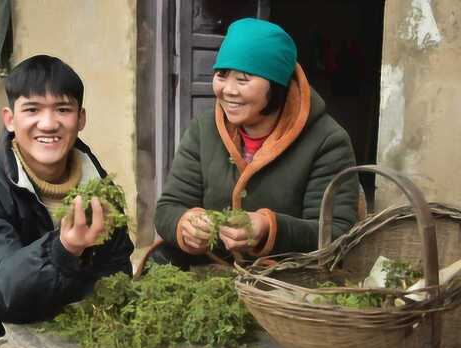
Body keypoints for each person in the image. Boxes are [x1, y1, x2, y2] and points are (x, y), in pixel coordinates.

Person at [0, 55, 134, 348]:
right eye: (32, 109)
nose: (48, 123)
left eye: (63, 110)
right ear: (10, 119)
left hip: (71, 315)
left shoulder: (101, 189)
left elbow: (116, 271)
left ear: (80, 119)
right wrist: (64, 249)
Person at [153, 18, 359, 269]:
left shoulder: (327, 141)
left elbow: (337, 235)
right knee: (160, 260)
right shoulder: (203, 130)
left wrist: (268, 228)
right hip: (213, 270)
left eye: (243, 79)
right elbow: (167, 208)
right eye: (222, 75)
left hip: (287, 278)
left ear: (276, 85)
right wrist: (184, 223)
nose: (228, 90)